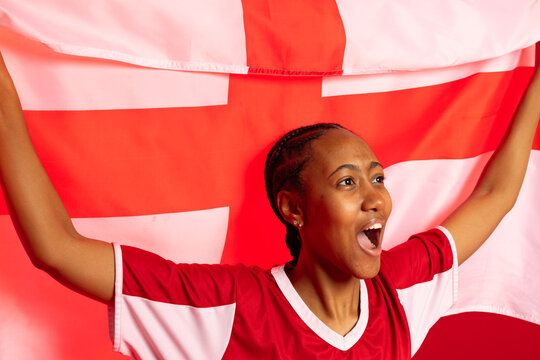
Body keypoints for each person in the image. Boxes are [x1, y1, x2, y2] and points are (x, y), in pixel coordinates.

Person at [0, 45, 539, 359]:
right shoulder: (232, 305)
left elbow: (495, 196)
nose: (376, 198)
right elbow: (57, 248)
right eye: (348, 183)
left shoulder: (401, 291)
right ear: (293, 208)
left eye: (377, 178)